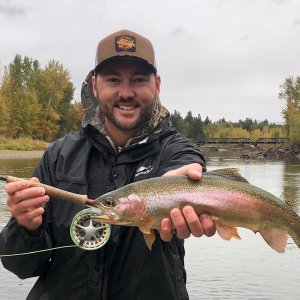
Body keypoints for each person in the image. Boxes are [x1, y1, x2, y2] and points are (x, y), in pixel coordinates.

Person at [0, 29, 216, 300]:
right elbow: (21, 266)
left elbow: (187, 162)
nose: (126, 93)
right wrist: (26, 226)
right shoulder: (58, 155)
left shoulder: (175, 149)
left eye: (138, 80)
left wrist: (183, 180)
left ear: (157, 85)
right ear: (95, 85)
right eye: (113, 80)